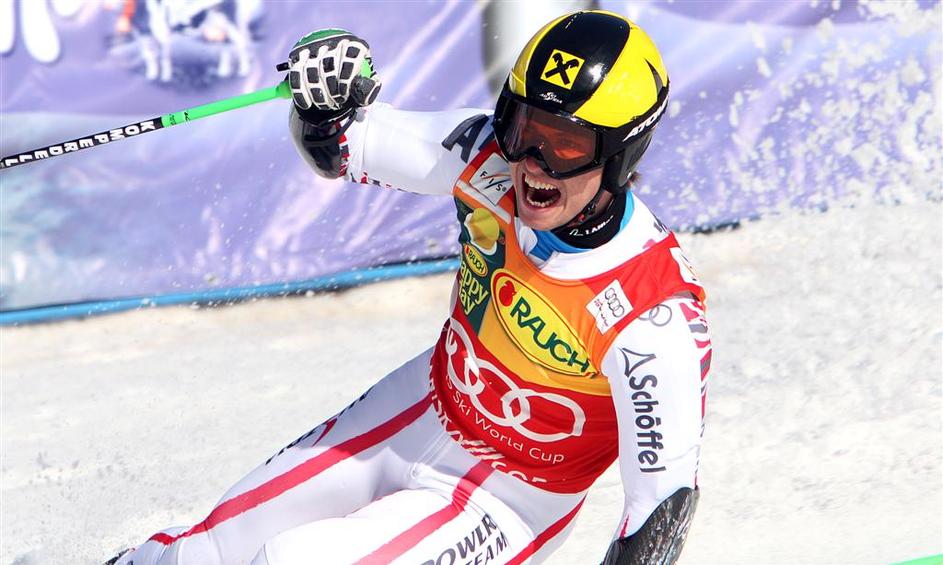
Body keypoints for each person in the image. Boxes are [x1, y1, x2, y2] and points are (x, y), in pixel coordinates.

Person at [113, 10, 711, 565]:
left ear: (621, 154)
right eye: (523, 127)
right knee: (204, 552)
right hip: (420, 409)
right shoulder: (485, 156)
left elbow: (659, 512)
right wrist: (325, 98)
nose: (532, 163)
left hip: (507, 504)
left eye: (566, 145)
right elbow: (340, 146)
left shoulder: (653, 315)